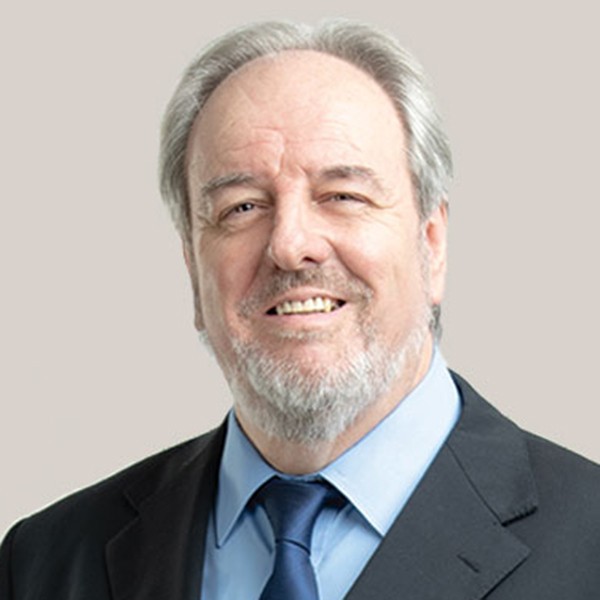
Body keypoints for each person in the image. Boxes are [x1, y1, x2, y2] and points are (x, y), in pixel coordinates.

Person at [1, 20, 599, 600]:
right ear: (192, 266)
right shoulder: (45, 562)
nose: (289, 244)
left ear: (432, 242)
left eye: (342, 195)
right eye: (241, 207)